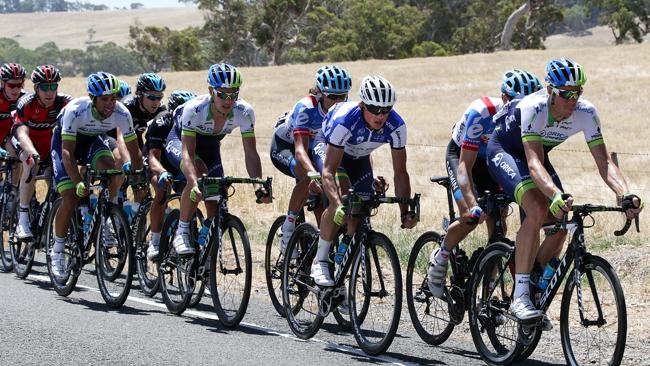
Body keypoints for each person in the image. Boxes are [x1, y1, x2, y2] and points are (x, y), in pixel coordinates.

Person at [486, 58, 644, 321]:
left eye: (578, 92)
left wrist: (624, 194)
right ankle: (520, 297)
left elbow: (604, 162)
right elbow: (534, 163)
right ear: (550, 90)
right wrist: (554, 195)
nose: (573, 99)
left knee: (561, 218)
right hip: (505, 150)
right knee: (537, 209)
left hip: (535, 154)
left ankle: (534, 279)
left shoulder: (586, 112)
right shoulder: (533, 108)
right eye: (567, 93)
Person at [427, 69, 542, 298]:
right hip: (462, 157)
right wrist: (472, 203)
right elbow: (463, 167)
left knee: (498, 221)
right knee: (471, 217)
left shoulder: (530, 118)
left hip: (492, 159)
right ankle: (440, 256)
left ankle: (487, 287)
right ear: (505, 98)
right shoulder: (483, 112)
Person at [310, 75, 418, 286]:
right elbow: (329, 170)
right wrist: (337, 204)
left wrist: (405, 211)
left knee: (360, 209)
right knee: (341, 198)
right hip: (329, 150)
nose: (381, 115)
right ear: (362, 105)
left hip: (358, 159)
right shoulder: (346, 120)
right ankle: (320, 259)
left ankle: (343, 261)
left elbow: (400, 173)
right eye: (375, 109)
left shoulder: (396, 126)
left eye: (386, 110)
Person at [164, 63, 270, 255]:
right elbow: (188, 152)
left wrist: (257, 184)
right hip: (181, 141)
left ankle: (206, 253)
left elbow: (251, 153)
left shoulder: (244, 112)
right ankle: (182, 229)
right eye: (222, 94)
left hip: (210, 146)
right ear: (211, 90)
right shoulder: (195, 109)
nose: (228, 101)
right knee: (198, 172)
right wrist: (193, 183)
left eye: (233, 94)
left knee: (216, 200)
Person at [49, 71, 143, 278]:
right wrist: (77, 182)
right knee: (71, 197)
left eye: (113, 98)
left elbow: (134, 150)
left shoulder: (122, 112)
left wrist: (138, 175)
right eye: (104, 99)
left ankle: (106, 212)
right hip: (65, 145)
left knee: (114, 170)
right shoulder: (75, 110)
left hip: (92, 141)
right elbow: (67, 153)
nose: (110, 104)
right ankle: (57, 250)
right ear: (92, 98)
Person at [270, 65, 351, 256]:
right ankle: (288, 228)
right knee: (306, 175)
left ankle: (320, 243)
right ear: (320, 93)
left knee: (331, 181)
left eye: (342, 96)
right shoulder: (306, 107)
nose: (337, 102)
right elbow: (299, 150)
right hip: (287, 146)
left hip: (315, 146)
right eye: (332, 97)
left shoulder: (345, 111)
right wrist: (313, 174)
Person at [9, 65, 72, 239]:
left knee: (61, 178)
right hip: (24, 141)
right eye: (45, 87)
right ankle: (22, 221)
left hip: (47, 145)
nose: (50, 92)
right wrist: (31, 152)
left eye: (53, 87)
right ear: (36, 88)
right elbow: (21, 133)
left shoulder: (64, 102)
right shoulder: (27, 103)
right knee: (30, 163)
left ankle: (47, 217)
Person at [144, 90, 196, 259]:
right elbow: (153, 156)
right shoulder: (161, 121)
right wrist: (163, 173)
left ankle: (185, 233)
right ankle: (155, 240)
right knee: (162, 191)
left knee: (189, 195)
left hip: (178, 164)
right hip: (157, 162)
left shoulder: (193, 122)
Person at [0, 63, 27, 155]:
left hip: (8, 137)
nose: (16, 89)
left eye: (19, 85)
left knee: (16, 155)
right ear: (2, 83)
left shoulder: (25, 99)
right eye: (11, 85)